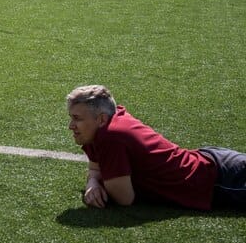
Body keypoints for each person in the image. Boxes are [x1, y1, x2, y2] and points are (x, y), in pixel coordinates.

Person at [67, 85, 246, 210]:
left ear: (101, 119)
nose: (70, 125)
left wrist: (97, 184)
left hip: (221, 180)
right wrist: (92, 182)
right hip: (213, 164)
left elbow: (123, 198)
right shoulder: (105, 125)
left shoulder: (110, 136)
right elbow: (95, 169)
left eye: (77, 118)